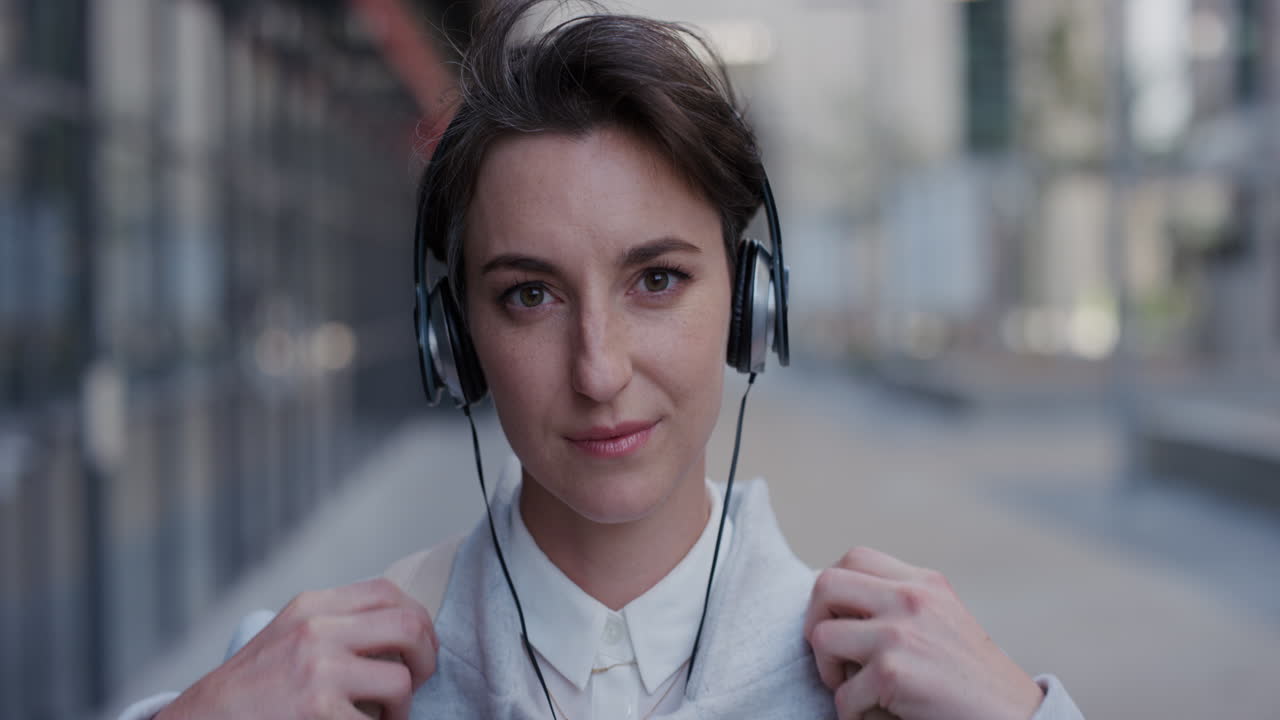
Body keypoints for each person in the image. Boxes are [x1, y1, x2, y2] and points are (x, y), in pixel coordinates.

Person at [118, 2, 1086, 719]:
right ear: (453, 339)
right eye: (528, 294)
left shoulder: (909, 690)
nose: (597, 369)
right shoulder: (304, 688)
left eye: (655, 280)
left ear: (750, 306)